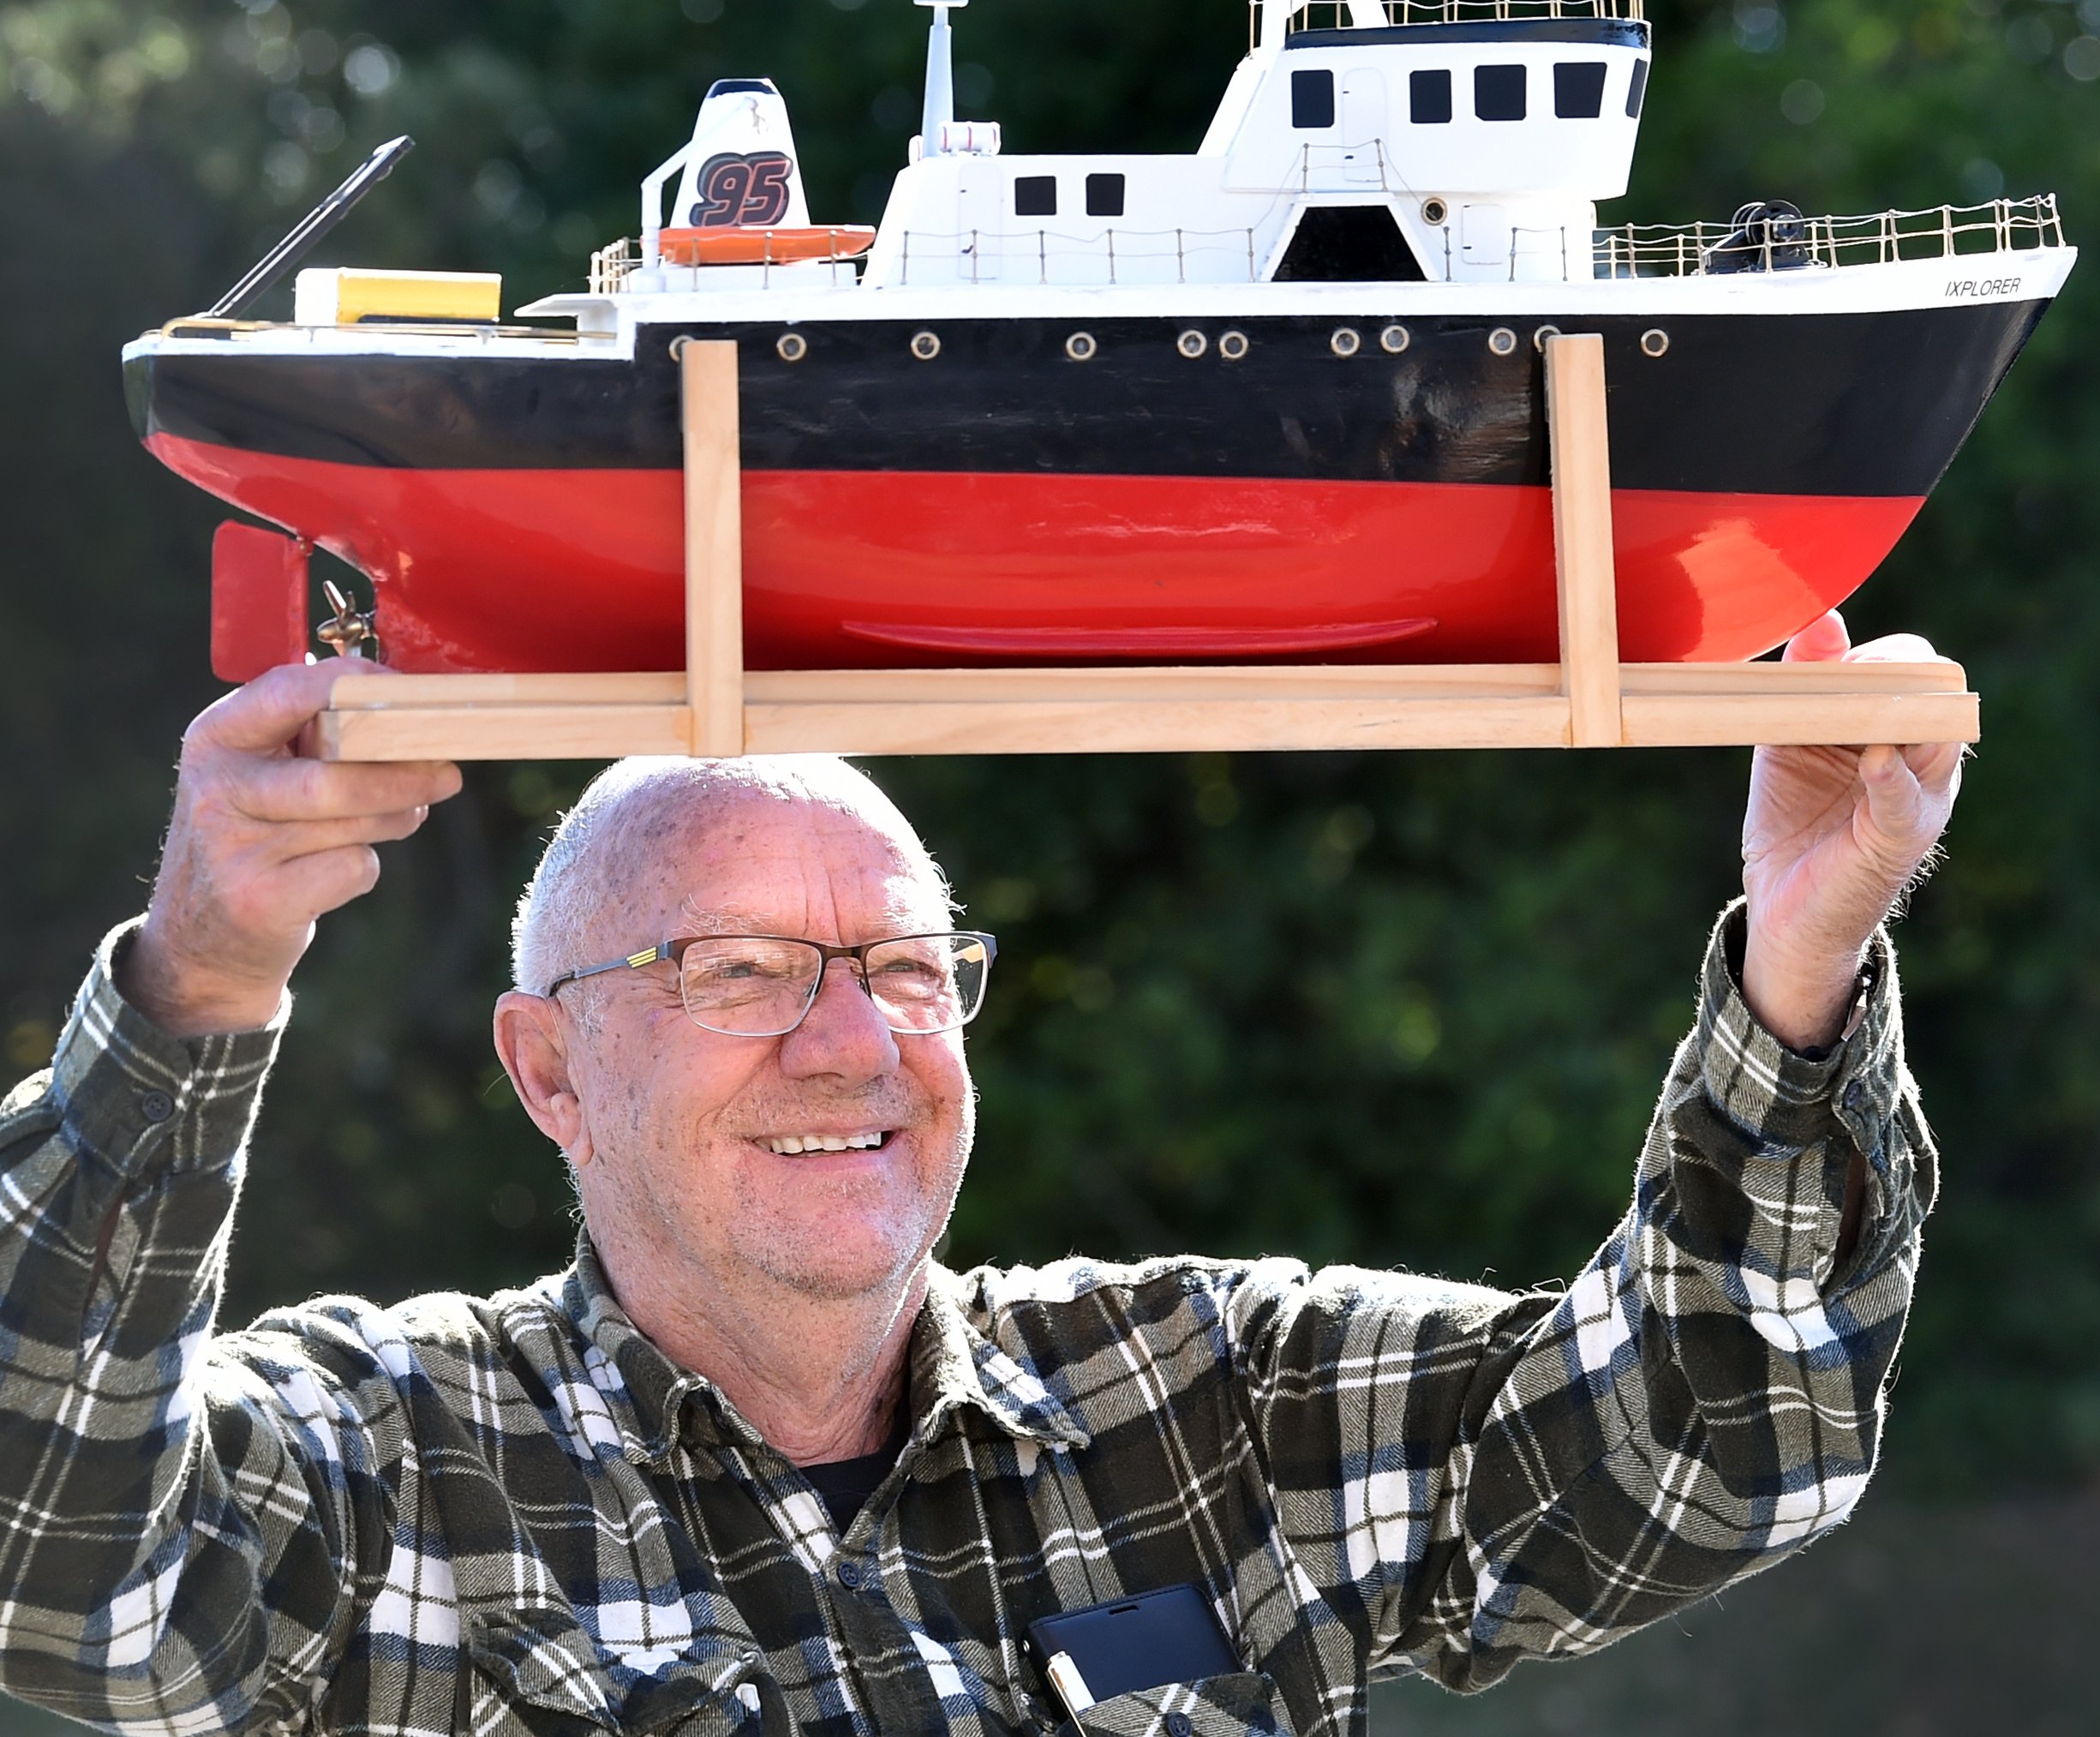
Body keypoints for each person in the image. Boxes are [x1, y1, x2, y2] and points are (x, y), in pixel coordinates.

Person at [0, 614, 1953, 1737]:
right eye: (738, 971)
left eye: (907, 971)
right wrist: (200, 984)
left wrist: (1798, 966)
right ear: (549, 1067)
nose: (850, 1043)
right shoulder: (393, 1454)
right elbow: (59, 1570)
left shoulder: (1205, 1399)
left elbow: (1711, 1444)